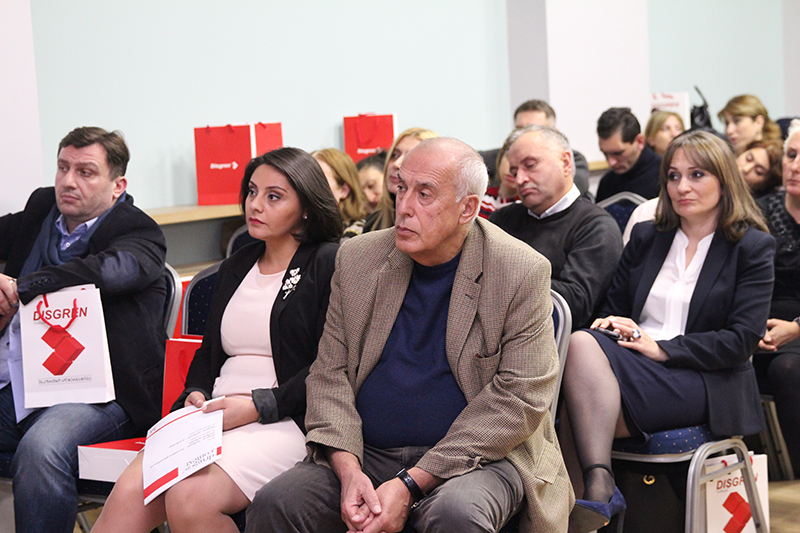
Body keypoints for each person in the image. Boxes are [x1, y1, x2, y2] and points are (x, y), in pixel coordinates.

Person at [246, 137, 573, 533]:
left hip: (479, 459)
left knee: (456, 513)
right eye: (401, 188)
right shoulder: (358, 258)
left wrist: (410, 484)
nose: (403, 206)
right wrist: (349, 472)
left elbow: (519, 399)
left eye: (425, 194)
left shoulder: (518, 270)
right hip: (366, 452)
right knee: (277, 503)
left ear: (467, 208)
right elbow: (329, 374)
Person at [92, 147, 342, 533]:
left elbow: (329, 367)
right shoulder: (237, 264)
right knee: (127, 494)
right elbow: (209, 352)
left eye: (274, 196)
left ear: (306, 207)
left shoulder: (328, 263)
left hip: (285, 419)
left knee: (190, 495)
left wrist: (258, 406)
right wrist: (194, 391)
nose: (255, 204)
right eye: (252, 191)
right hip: (213, 416)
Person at [561, 130, 774, 532]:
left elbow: (741, 340)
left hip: (705, 378)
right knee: (584, 344)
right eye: (673, 176)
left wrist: (662, 348)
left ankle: (587, 499)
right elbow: (612, 309)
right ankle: (596, 489)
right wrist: (615, 325)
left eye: (696, 175)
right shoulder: (648, 236)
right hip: (636, 366)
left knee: (572, 402)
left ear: (724, 180)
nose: (681, 187)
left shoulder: (751, 247)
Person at [0, 127, 167, 533]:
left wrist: (22, 287)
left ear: (117, 186)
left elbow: (108, 272)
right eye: (63, 168)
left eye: (86, 172)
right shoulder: (42, 208)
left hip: (101, 395)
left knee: (42, 450)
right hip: (21, 382)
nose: (68, 181)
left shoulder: (139, 232)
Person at [489, 125, 622, 329]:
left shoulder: (596, 227)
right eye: (514, 172)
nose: (520, 180)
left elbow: (574, 304)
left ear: (566, 163)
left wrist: (503, 283)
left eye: (530, 165)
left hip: (552, 340)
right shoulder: (502, 219)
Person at [754, 118, 800, 477]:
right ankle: (748, 477)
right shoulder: (760, 211)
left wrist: (795, 328)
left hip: (796, 331)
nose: (795, 166)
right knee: (726, 364)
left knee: (787, 369)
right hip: (760, 326)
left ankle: (794, 476)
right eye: (791, 155)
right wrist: (749, 328)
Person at [481, 99, 591, 196]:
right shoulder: (504, 154)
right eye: (519, 129)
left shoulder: (575, 159)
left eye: (534, 129)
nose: (523, 134)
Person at [362, 127, 438, 233]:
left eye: (409, 157)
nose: (396, 164)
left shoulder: (434, 222)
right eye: (394, 155)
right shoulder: (373, 221)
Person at [596, 107, 662, 202]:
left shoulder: (664, 176)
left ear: (640, 142)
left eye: (618, 153)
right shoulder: (606, 183)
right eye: (605, 154)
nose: (611, 162)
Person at [312, 148, 369, 238]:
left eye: (319, 180)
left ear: (343, 190)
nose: (310, 187)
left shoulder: (360, 235)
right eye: (308, 179)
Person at [718, 94, 782, 155]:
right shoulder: (727, 156)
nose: (729, 130)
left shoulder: (776, 158)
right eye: (727, 123)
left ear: (758, 122)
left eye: (737, 121)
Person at [478, 137, 518, 219]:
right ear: (501, 158)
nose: (512, 168)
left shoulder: (531, 206)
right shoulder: (479, 195)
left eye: (528, 164)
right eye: (510, 158)